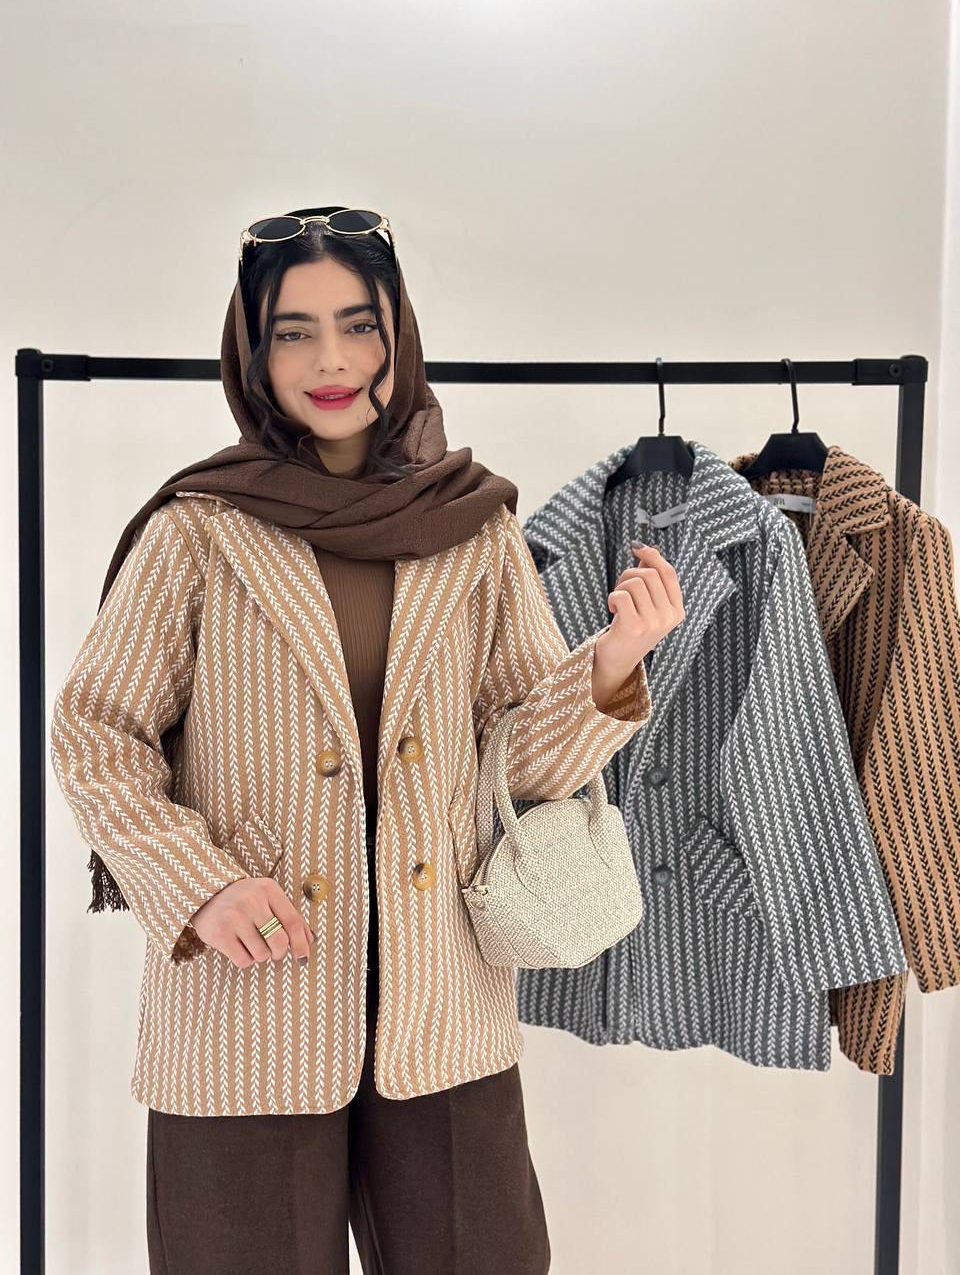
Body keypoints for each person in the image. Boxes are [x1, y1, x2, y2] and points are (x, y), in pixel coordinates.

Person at [49, 207, 682, 1273]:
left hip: (443, 1011)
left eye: (357, 324)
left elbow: (518, 764)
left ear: (399, 334)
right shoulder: (197, 528)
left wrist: (613, 662)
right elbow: (96, 733)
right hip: (247, 1007)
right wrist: (201, 884)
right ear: (253, 351)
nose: (331, 360)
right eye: (292, 332)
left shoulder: (475, 526)